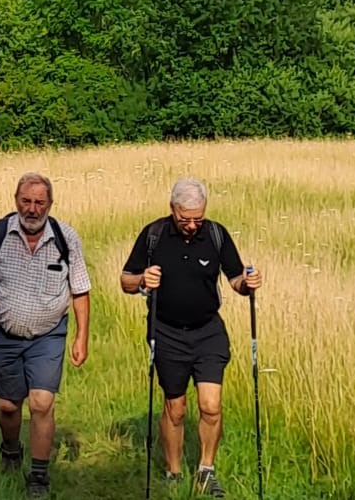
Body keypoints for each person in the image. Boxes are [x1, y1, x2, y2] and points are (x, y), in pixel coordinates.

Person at [120, 178, 264, 498]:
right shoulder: (154, 235)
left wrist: (249, 282)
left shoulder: (215, 234)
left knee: (211, 406)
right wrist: (143, 279)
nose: (192, 225)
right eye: (185, 218)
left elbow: (236, 279)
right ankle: (173, 472)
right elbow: (126, 280)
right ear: (173, 209)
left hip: (208, 331)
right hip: (166, 331)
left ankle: (205, 471)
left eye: (198, 217)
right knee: (176, 408)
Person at [0, 172, 92, 498]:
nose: (32, 209)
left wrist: (81, 338)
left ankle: (38, 476)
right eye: (26, 201)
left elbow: (80, 292)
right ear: (16, 200)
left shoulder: (67, 238)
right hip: (4, 334)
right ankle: (10, 449)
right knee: (8, 406)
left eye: (39, 202)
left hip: (48, 336)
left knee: (42, 402)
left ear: (50, 204)